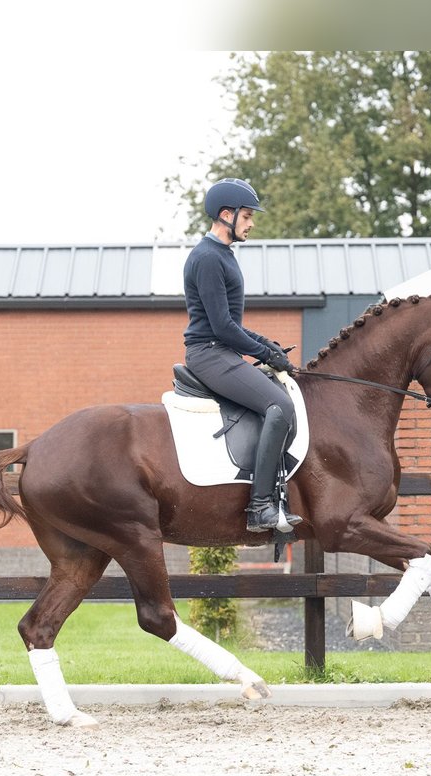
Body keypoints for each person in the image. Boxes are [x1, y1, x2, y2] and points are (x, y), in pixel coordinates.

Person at [183, 177, 302, 533]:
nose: (251, 223)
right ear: (225, 214)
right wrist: (265, 352)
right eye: (247, 216)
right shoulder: (207, 258)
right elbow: (221, 327)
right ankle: (260, 507)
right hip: (209, 353)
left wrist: (270, 347)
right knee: (279, 407)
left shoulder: (223, 256)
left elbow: (233, 324)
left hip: (222, 350)